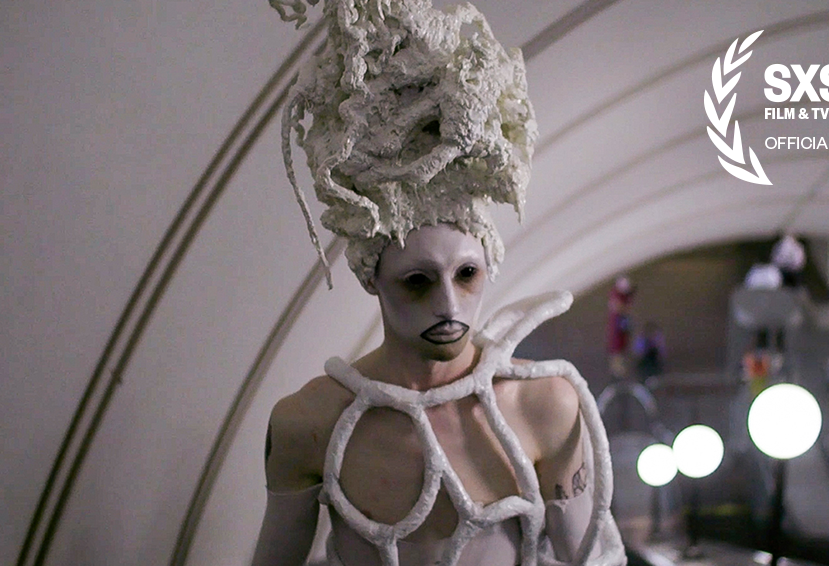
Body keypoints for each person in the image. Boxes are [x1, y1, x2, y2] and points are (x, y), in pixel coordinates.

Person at [254, 1, 626, 565]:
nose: (449, 305)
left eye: (467, 274)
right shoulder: (309, 422)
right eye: (417, 282)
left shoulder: (544, 403)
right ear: (373, 280)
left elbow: (592, 557)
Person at [607, 275, 635, 378]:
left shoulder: (625, 298)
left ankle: (621, 370)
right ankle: (618, 371)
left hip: (623, 331)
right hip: (617, 334)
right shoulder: (616, 299)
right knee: (617, 348)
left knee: (622, 346)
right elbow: (618, 307)